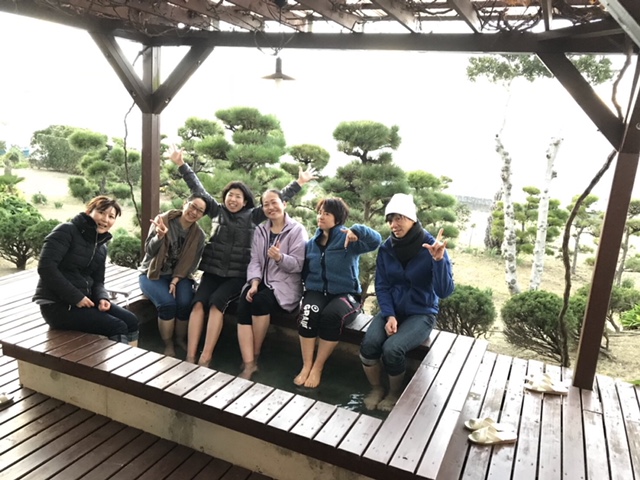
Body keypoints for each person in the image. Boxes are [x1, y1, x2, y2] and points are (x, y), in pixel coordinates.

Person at [169, 146, 316, 367]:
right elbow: (197, 188)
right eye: (230, 195)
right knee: (198, 304)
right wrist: (181, 164)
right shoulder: (216, 211)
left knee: (216, 304)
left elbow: (276, 201)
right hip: (212, 271)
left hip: (237, 275)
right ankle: (190, 355)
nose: (233, 199)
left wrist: (299, 183)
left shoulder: (253, 216)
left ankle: (206, 356)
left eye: (238, 196)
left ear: (245, 201)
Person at [359, 193, 454, 411]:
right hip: (392, 310)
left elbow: (444, 291)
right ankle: (376, 388)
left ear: (412, 218)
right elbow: (382, 285)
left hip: (421, 313)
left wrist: (439, 260)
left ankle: (394, 393)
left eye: (398, 218)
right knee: (369, 344)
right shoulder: (387, 248)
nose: (393, 224)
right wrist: (390, 314)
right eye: (390, 219)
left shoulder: (432, 247)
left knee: (393, 349)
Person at [294, 198, 381, 388]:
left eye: (327, 213)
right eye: (320, 212)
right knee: (308, 313)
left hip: (345, 294)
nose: (321, 216)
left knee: (331, 316)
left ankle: (317, 367)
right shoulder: (312, 244)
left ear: (338, 218)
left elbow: (376, 240)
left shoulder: (348, 239)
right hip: (317, 291)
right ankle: (306, 365)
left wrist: (357, 230)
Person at [33, 196, 140, 345]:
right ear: (89, 211)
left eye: (111, 216)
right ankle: (116, 361)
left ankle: (131, 358)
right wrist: (76, 297)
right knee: (117, 326)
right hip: (56, 305)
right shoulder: (66, 230)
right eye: (101, 212)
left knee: (131, 320)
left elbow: (98, 281)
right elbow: (46, 268)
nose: (105, 219)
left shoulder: (101, 246)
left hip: (85, 301)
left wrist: (102, 298)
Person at [236, 189, 307, 379]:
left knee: (260, 301)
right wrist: (254, 283)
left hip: (285, 285)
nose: (270, 207)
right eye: (265, 204)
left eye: (274, 202)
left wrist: (280, 258)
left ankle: (255, 355)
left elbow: (298, 265)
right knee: (244, 301)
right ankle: (248, 362)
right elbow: (255, 261)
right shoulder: (260, 230)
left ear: (284, 204)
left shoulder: (297, 230)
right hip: (261, 281)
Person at [138, 194, 207, 356]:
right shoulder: (163, 220)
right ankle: (168, 344)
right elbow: (149, 251)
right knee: (167, 304)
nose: (194, 212)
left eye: (200, 211)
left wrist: (175, 280)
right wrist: (159, 236)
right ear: (185, 204)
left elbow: (192, 265)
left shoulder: (199, 235)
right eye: (193, 206)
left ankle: (180, 339)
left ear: (202, 215)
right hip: (152, 273)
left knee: (185, 303)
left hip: (180, 276)